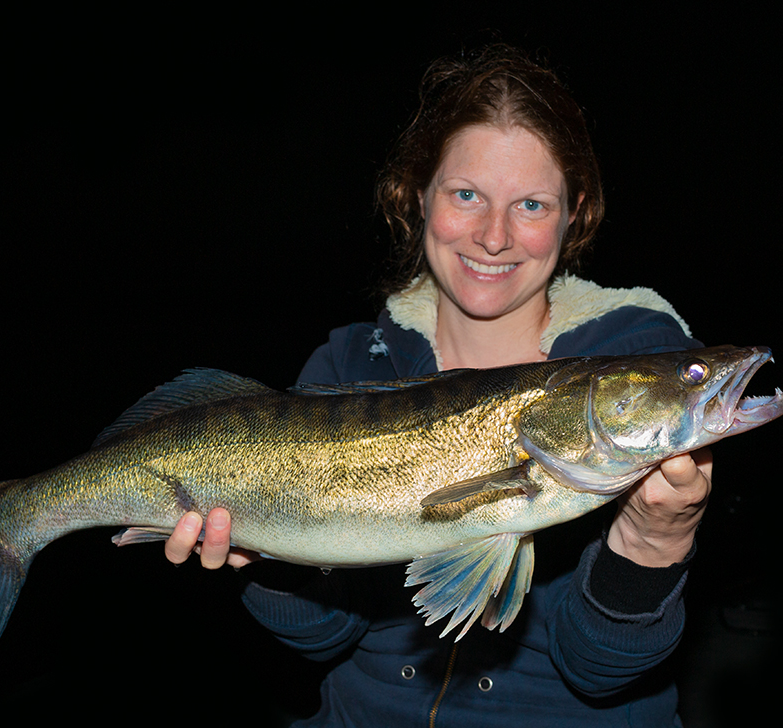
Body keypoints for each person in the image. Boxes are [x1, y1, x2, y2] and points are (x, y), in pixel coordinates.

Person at [165, 45, 711, 726]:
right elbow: (325, 639)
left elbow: (600, 672)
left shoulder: (635, 369)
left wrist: (654, 544)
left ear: (576, 214)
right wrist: (267, 559)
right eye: (466, 195)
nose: (493, 236)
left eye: (532, 205)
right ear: (415, 195)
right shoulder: (350, 367)